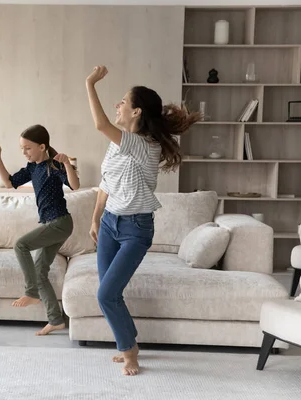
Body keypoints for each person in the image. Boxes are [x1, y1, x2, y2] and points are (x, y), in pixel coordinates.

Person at [86, 65, 201, 376]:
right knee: (110, 293)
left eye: (123, 101)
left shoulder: (144, 145)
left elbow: (100, 124)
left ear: (136, 111)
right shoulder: (118, 143)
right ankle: (129, 344)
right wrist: (96, 220)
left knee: (105, 294)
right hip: (110, 224)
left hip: (136, 230)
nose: (118, 105)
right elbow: (106, 184)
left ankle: (129, 352)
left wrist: (90, 83)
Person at [0, 124, 80, 336]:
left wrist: (68, 163)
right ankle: (55, 320)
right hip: (49, 224)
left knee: (21, 245)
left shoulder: (54, 165)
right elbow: (9, 182)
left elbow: (75, 185)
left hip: (59, 223)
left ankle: (31, 292)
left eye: (28, 148)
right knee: (40, 273)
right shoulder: (33, 168)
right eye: (22, 148)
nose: (24, 152)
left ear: (42, 146)